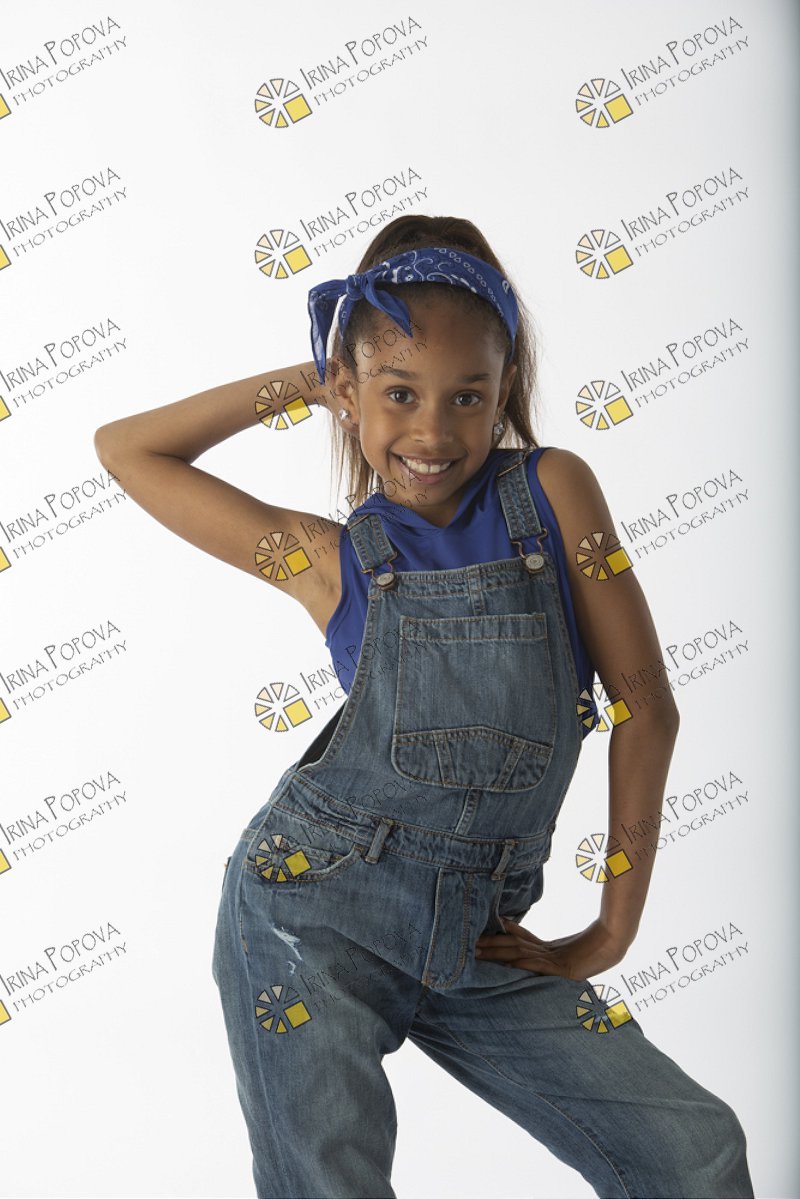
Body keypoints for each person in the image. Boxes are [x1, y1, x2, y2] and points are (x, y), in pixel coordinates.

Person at [93, 215, 754, 1199]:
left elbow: (645, 706)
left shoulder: (555, 493)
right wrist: (314, 377)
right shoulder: (326, 559)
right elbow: (127, 448)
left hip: (479, 931)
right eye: (398, 393)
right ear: (349, 394)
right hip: (309, 918)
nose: (433, 432)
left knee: (693, 1155)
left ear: (504, 391)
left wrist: (611, 927)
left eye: (467, 396)